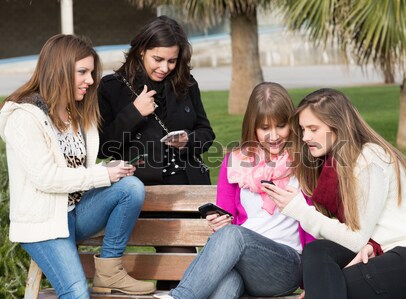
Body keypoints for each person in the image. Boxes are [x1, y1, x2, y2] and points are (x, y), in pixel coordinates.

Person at [0, 34, 156, 298]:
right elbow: (46, 177)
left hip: (76, 212)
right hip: (44, 223)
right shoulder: (24, 117)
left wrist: (110, 168)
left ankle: (109, 271)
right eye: (82, 72)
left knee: (130, 187)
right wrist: (102, 174)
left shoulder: (76, 112)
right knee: (76, 293)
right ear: (58, 70)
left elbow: (76, 167)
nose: (90, 80)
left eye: (91, 72)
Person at [264, 88, 406, 299]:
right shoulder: (336, 165)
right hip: (382, 252)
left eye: (313, 129)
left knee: (330, 288)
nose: (305, 137)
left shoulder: (370, 160)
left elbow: (354, 239)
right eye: (303, 129)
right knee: (317, 252)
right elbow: (356, 238)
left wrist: (300, 211)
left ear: (338, 126)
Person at [156, 82, 314, 299]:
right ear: (253, 127)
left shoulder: (305, 161)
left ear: (292, 124)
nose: (274, 136)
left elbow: (312, 226)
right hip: (242, 264)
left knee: (234, 236)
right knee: (225, 287)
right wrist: (218, 223)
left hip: (285, 266)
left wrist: (313, 283)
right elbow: (227, 220)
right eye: (265, 128)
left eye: (280, 125)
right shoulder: (235, 162)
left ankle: (179, 297)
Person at [97, 15, 215, 290]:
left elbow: (207, 133)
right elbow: (104, 147)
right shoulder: (113, 88)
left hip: (188, 188)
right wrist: (133, 113)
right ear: (141, 50)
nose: (165, 67)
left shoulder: (186, 84)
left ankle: (171, 293)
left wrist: (188, 140)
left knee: (187, 256)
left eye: (172, 61)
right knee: (182, 256)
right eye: (158, 59)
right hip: (144, 190)